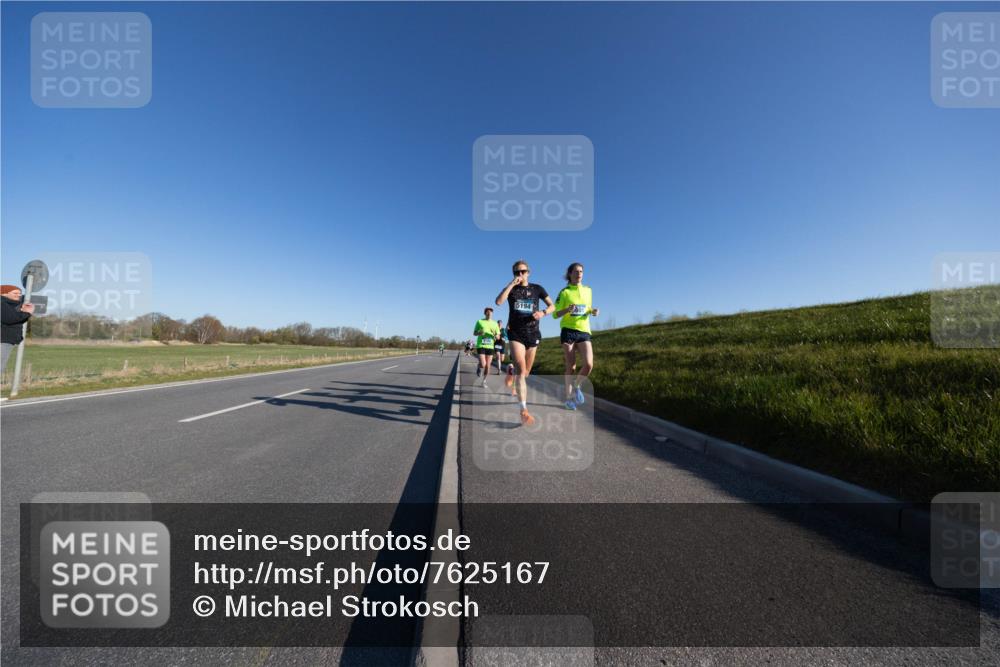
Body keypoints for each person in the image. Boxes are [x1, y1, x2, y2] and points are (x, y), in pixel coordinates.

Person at [495, 260, 554, 426]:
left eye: (522, 272)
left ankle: (511, 371)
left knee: (526, 372)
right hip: (515, 333)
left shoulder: (538, 289)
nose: (520, 275)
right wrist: (510, 284)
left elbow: (552, 306)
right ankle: (523, 410)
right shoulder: (512, 289)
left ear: (529, 272)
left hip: (533, 333)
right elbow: (498, 302)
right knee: (522, 371)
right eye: (516, 272)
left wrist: (543, 312)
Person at [553, 262, 599, 410]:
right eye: (576, 271)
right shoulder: (564, 292)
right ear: (570, 274)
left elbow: (587, 308)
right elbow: (555, 314)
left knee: (589, 364)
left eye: (581, 271)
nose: (579, 274)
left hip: (584, 330)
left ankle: (577, 385)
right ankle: (568, 399)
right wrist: (567, 309)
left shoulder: (588, 290)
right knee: (571, 367)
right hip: (568, 331)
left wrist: (593, 311)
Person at [2, 284, 35, 375]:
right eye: (15, 293)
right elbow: (10, 319)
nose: (19, 295)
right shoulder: (2, 303)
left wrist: (22, 312)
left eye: (20, 293)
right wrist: (27, 313)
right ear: (3, 293)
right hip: (2, 340)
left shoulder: (10, 305)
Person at [472, 307, 500, 388]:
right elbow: (474, 333)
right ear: (485, 313)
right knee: (483, 364)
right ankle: (479, 366)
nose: (489, 314)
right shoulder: (480, 322)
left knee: (488, 365)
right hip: (481, 345)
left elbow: (498, 336)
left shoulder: (495, 324)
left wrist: (495, 335)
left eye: (491, 312)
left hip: (490, 346)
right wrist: (479, 332)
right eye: (488, 312)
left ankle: (484, 381)